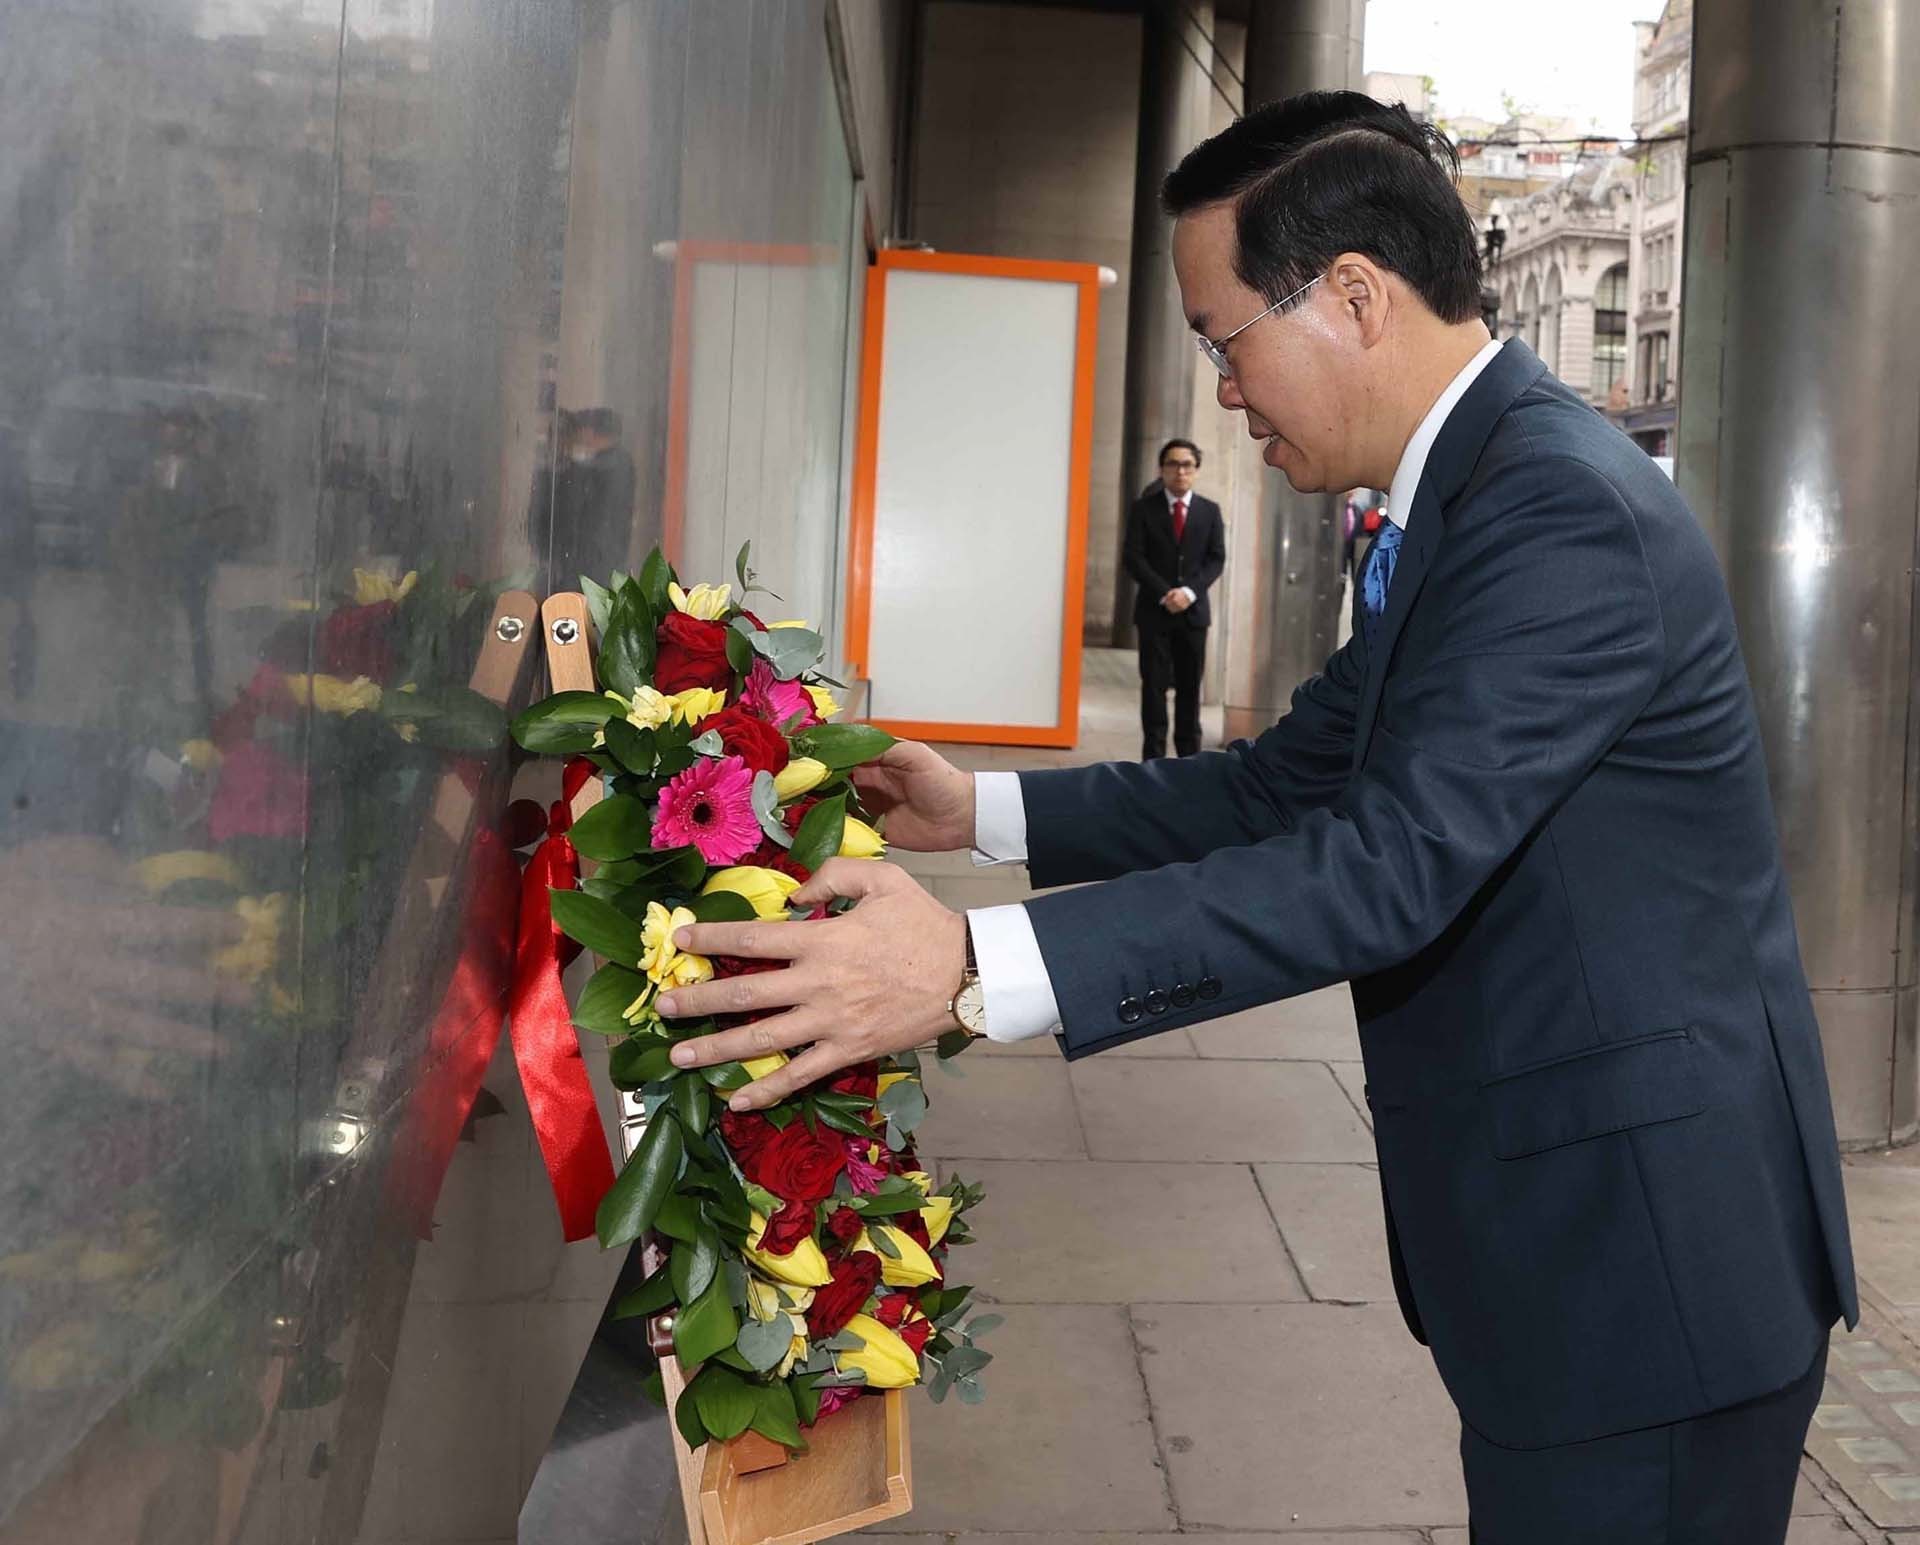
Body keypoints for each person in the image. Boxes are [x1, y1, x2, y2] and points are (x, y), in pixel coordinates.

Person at [654, 92, 1854, 1543]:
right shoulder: (1477, 495)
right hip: (1574, 1250)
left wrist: (970, 970)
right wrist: (981, 808)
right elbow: (1287, 782)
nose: (1220, 393)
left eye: (1225, 338)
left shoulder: (1559, 513)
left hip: (1647, 1269)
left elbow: (1385, 867)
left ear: (1353, 296)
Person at [1122, 438, 1226, 759]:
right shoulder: (1143, 510)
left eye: (1187, 465)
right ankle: (1152, 763)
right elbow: (1133, 558)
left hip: (1193, 616)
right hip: (1154, 613)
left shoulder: (1209, 511)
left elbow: (1215, 559)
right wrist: (1165, 593)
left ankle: (1188, 764)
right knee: (1153, 690)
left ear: (1195, 471)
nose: (1180, 471)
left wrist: (1188, 593)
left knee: (1189, 690)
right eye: (1173, 465)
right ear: (1162, 469)